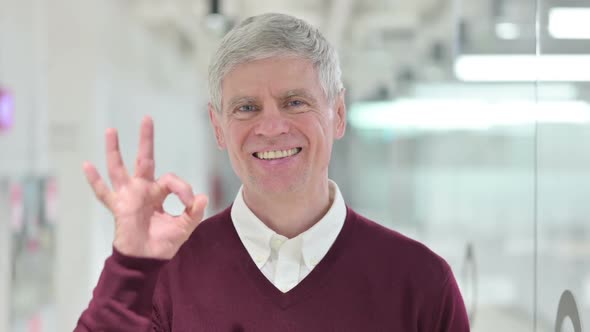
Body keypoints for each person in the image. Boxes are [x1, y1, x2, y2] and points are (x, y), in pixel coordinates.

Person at [75, 13, 470, 331]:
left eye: (295, 102)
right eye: (247, 108)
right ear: (218, 127)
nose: (271, 127)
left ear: (338, 114)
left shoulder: (420, 283)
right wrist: (129, 267)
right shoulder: (167, 275)